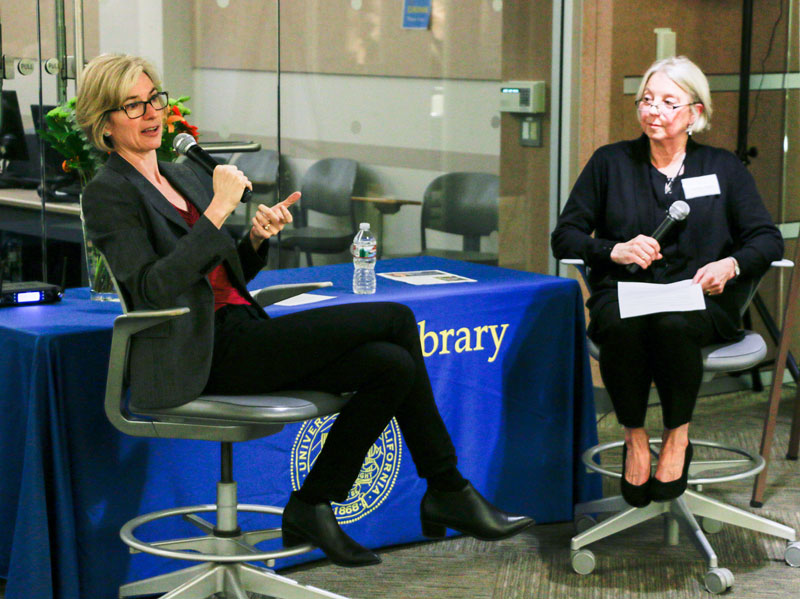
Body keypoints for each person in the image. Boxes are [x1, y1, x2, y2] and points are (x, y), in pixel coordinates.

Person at [77, 53, 532, 567]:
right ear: (104, 124)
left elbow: (225, 279)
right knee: (396, 319)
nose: (152, 113)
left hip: (241, 330)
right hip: (198, 355)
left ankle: (313, 501)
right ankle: (447, 486)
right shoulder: (108, 193)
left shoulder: (183, 177)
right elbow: (154, 289)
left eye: (154, 99)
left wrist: (252, 239)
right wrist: (219, 212)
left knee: (392, 365)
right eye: (133, 106)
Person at [551, 56, 783, 507]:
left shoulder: (723, 168)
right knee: (623, 325)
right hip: (625, 294)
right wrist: (613, 250)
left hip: (699, 299)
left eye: (668, 102)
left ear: (695, 113)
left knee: (672, 325)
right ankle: (635, 438)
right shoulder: (611, 162)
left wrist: (730, 265)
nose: (653, 111)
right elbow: (566, 236)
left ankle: (677, 437)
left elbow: (766, 239)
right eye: (646, 100)